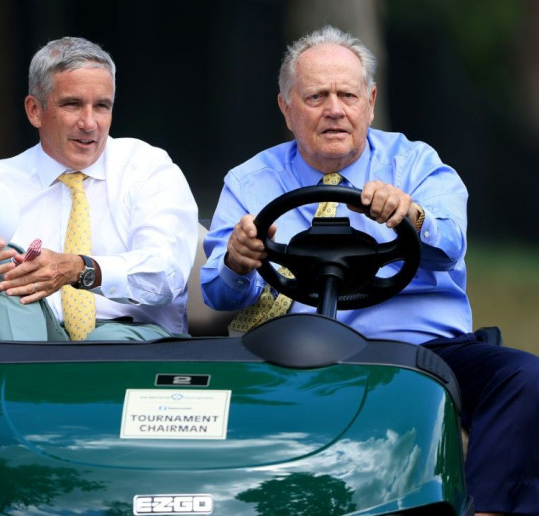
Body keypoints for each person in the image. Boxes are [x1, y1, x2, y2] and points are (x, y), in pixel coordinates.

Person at [201, 25, 538, 516]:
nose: (334, 109)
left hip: (422, 354)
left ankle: (486, 510)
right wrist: (238, 257)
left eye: (347, 94)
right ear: (286, 107)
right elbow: (218, 294)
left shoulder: (417, 164)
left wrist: (412, 214)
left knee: (525, 377)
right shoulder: (250, 181)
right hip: (291, 350)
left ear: (371, 102)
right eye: (316, 95)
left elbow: (451, 244)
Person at [0, 36, 198, 342]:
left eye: (102, 106)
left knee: (100, 346)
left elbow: (167, 274)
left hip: (133, 337)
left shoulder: (149, 168)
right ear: (34, 111)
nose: (90, 123)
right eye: (73, 104)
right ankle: (28, 378)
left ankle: (32, 383)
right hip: (28, 338)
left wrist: (80, 268)